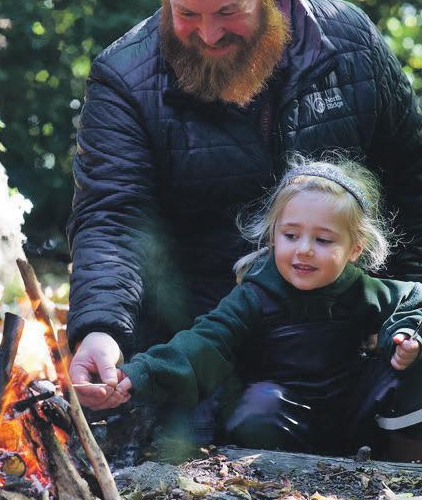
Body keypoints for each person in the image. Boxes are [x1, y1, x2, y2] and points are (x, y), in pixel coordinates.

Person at [67, 0, 422, 428]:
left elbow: (412, 185)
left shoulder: (350, 44)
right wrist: (101, 328)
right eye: (187, 13)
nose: (209, 34)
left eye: (228, 12)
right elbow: (113, 219)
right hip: (201, 351)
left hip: (350, 341)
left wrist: (410, 320)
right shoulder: (124, 78)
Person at [95, 156, 422, 460]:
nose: (304, 250)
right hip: (281, 412)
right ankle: (281, 469)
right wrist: (144, 373)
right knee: (258, 408)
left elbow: (415, 297)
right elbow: (207, 340)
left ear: (354, 249)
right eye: (291, 235)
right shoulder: (256, 294)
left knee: (414, 371)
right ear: (273, 237)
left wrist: (405, 334)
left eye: (323, 240)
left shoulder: (361, 288)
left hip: (350, 410)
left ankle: (405, 468)